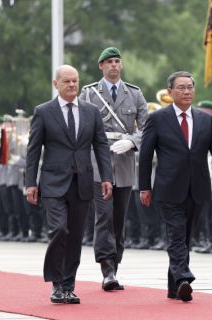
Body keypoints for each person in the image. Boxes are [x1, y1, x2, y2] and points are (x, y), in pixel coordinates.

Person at [139, 71, 212, 302]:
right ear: (170, 92)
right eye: (181, 87)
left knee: (186, 236)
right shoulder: (158, 119)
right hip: (168, 187)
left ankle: (174, 286)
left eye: (190, 87)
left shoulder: (204, 119)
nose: (187, 91)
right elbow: (145, 154)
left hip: (197, 187)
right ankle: (183, 278)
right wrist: (144, 187)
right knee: (177, 233)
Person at [25, 64, 113, 304]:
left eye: (75, 81)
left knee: (75, 237)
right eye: (66, 81)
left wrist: (106, 177)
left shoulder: (91, 111)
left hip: (82, 182)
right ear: (56, 84)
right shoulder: (43, 111)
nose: (72, 85)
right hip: (53, 183)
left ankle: (68, 285)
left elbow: (101, 146)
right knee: (59, 230)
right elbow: (33, 150)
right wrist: (30, 183)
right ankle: (56, 283)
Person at [80, 47, 148, 291]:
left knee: (119, 219)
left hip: (125, 160)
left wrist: (132, 141)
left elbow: (146, 128)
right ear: (101, 66)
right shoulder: (88, 94)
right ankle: (107, 269)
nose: (114, 65)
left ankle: (115, 265)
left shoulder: (134, 94)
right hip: (98, 162)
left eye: (117, 61)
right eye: (109, 62)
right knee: (104, 216)